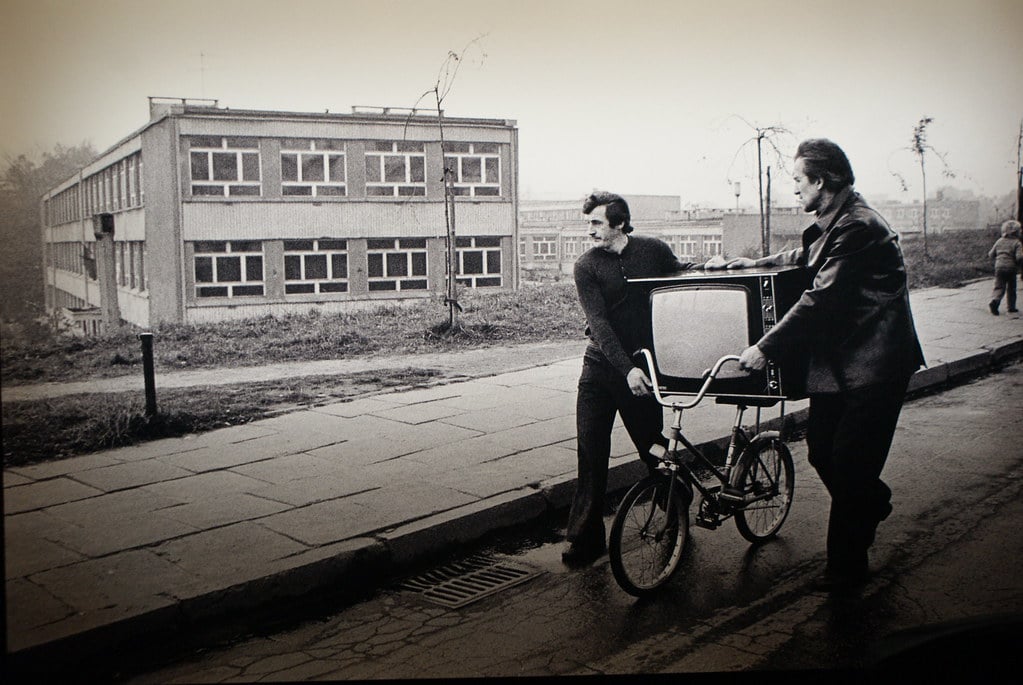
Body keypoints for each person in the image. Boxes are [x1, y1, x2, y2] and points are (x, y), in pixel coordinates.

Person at [707, 139, 925, 592]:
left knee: (848, 462)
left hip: (876, 364)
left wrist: (765, 347)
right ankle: (872, 500)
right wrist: (754, 262)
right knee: (822, 450)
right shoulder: (839, 220)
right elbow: (807, 259)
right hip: (844, 362)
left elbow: (821, 296)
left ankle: (846, 571)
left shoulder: (860, 225)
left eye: (797, 180)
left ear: (821, 181)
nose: (793, 189)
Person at [563, 191, 693, 566]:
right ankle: (584, 538)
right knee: (591, 453)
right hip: (600, 371)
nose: (589, 232)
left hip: (642, 369)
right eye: (588, 223)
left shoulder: (653, 250)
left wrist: (722, 266)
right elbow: (600, 326)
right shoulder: (586, 266)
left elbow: (681, 274)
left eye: (596, 223)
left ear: (618, 223)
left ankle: (677, 505)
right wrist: (626, 369)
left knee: (653, 448)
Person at [987, 219, 1022, 315]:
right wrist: (1019, 264)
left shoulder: (999, 241)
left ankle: (995, 301)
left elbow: (991, 254)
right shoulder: (1017, 243)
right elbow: (1019, 257)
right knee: (1011, 288)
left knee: (999, 286)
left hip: (999, 267)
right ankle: (1011, 307)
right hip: (1011, 268)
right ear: (1016, 232)